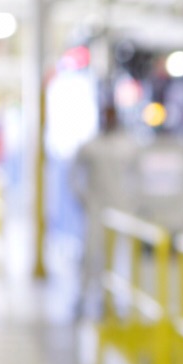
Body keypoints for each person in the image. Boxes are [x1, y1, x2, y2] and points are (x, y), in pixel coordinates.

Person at [70, 104, 140, 318]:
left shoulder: (128, 146)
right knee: (91, 254)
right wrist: (84, 199)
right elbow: (73, 175)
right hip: (97, 208)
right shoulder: (90, 147)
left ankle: (109, 300)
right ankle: (83, 297)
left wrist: (132, 202)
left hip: (120, 210)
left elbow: (138, 176)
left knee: (119, 257)